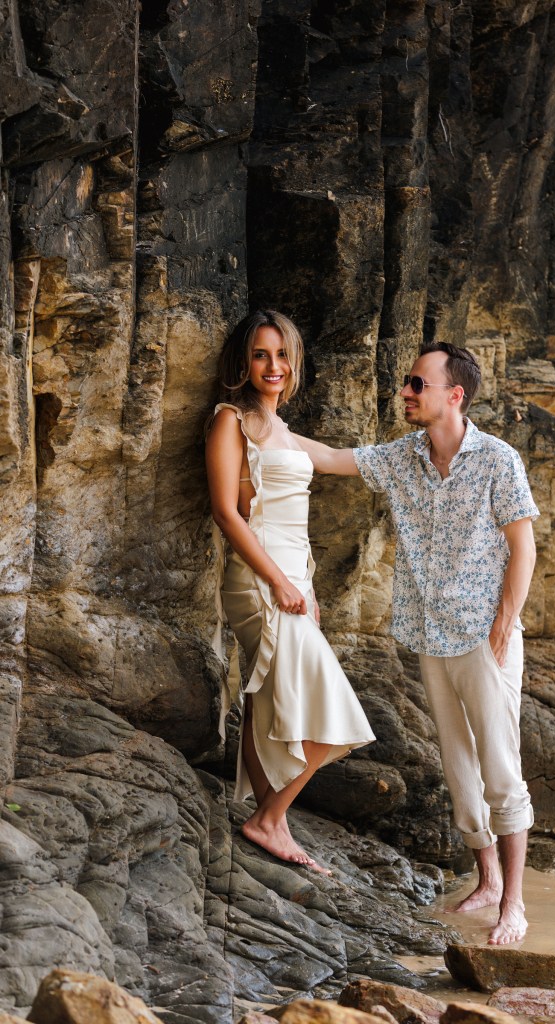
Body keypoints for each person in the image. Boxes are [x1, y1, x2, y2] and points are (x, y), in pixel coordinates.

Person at [295, 342, 538, 942]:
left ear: (454, 395)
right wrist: (262, 418)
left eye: (416, 383)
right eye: (407, 382)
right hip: (431, 634)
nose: (405, 391)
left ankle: (514, 904)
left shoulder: (498, 460)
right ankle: (485, 882)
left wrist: (505, 623)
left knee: (500, 767)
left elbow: (523, 545)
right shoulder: (404, 456)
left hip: (485, 636)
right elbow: (328, 457)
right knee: (458, 765)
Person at [205, 309, 375, 873]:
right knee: (333, 709)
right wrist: (278, 581)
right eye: (260, 354)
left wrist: (306, 584)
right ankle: (269, 819)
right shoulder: (232, 420)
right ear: (244, 362)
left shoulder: (286, 434)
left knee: (263, 698)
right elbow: (229, 515)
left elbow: (328, 473)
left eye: (282, 354)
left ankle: (264, 817)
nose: (272, 366)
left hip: (291, 579)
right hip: (259, 578)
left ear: (295, 360)